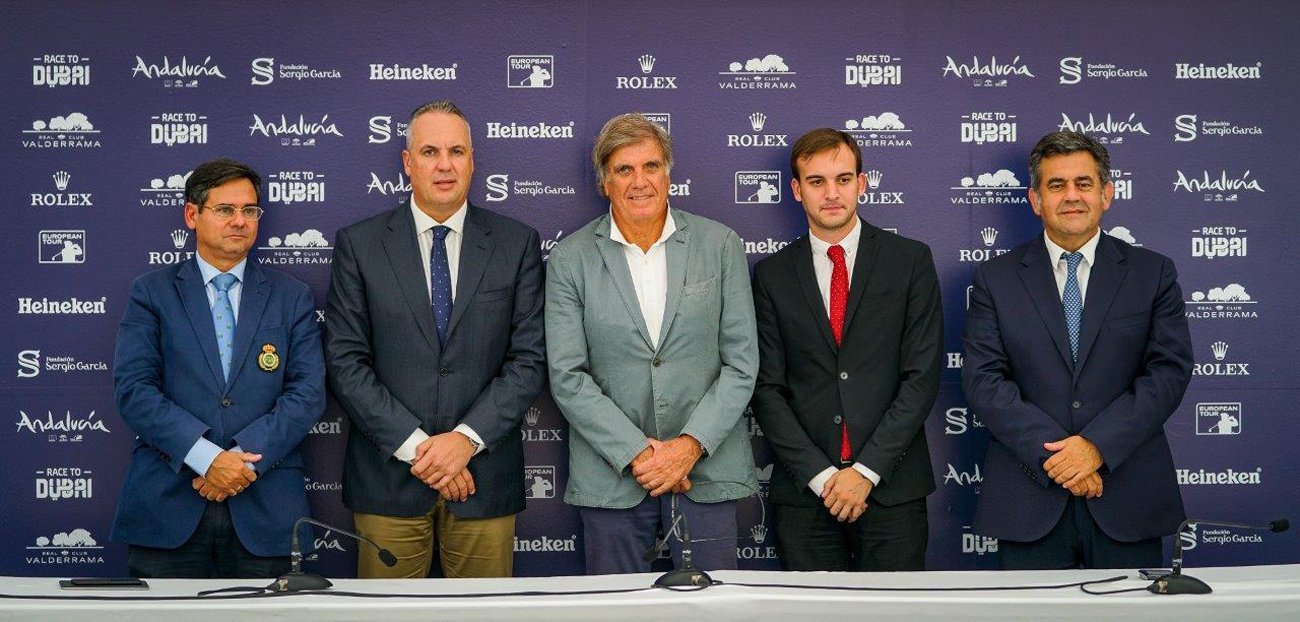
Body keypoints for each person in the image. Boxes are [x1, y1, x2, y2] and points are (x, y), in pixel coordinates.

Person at [325, 100, 546, 578]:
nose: (444, 164)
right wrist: (419, 450)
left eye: (456, 151)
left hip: (483, 479)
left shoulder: (517, 243)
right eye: (429, 151)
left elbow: (529, 359)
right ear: (408, 162)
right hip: (388, 479)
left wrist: (465, 442)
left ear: (472, 160)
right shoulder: (360, 245)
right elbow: (345, 361)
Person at [963, 131, 1193, 569]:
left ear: (1106, 194)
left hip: (1126, 495)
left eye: (1084, 184)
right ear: (1035, 199)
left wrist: (1096, 447)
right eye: (1056, 185)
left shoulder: (1152, 273)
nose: (1071, 196)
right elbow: (984, 380)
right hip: (1030, 498)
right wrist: (1062, 459)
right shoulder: (996, 278)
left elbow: (1168, 372)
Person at [546, 113, 759, 574]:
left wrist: (688, 447)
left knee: (713, 610)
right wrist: (640, 455)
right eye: (624, 169)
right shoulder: (570, 260)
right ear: (605, 182)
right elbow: (567, 375)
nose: (639, 181)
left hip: (705, 471)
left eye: (652, 166)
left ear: (668, 173)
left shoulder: (719, 244)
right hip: (613, 475)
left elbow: (741, 364)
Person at [112, 157, 325, 578]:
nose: (239, 221)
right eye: (225, 210)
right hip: (168, 508)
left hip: (266, 511)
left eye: (249, 211)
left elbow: (308, 393)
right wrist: (207, 458)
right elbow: (134, 389)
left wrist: (238, 465)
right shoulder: (151, 293)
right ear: (192, 215)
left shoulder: (292, 296)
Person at [750, 128, 942, 571]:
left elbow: (922, 376)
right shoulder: (772, 274)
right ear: (797, 190)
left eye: (843, 178)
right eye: (816, 181)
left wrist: (865, 472)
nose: (831, 193)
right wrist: (824, 478)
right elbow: (767, 388)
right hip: (806, 494)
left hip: (892, 486)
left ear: (863, 181)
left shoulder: (909, 260)